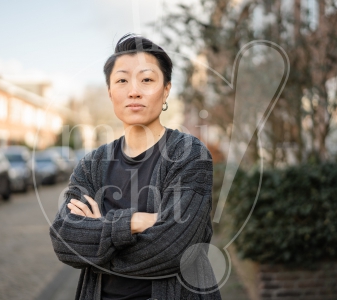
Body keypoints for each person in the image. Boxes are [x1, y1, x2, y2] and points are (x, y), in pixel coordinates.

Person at [50, 33, 222, 300]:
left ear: (166, 89)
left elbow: (175, 248)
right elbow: (64, 240)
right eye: (121, 80)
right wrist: (133, 222)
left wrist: (99, 239)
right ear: (110, 92)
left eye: (147, 80)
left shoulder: (190, 155)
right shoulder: (92, 164)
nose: (134, 90)